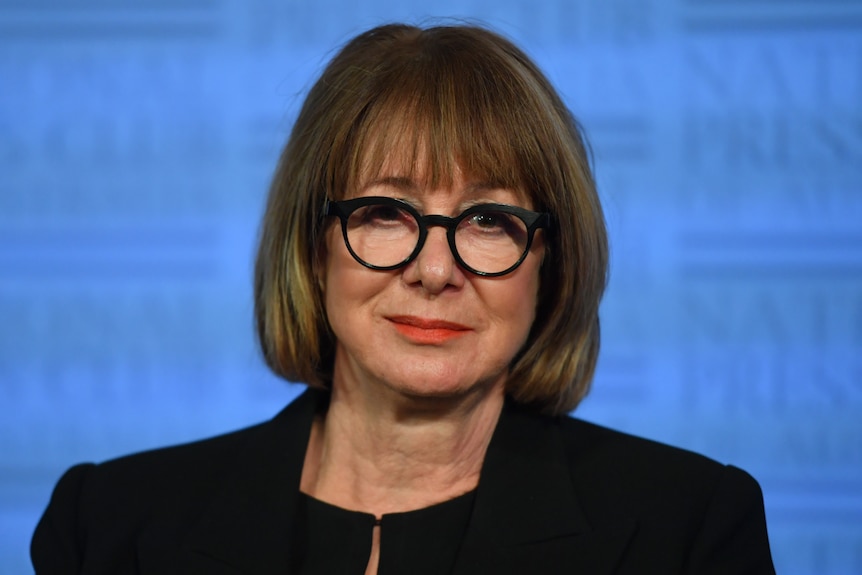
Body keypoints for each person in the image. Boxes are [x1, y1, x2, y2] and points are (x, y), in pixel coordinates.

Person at [31, 22, 776, 574]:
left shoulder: (688, 528)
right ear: (315, 245)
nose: (434, 269)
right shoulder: (110, 526)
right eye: (386, 213)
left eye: (490, 220)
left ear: (547, 261)